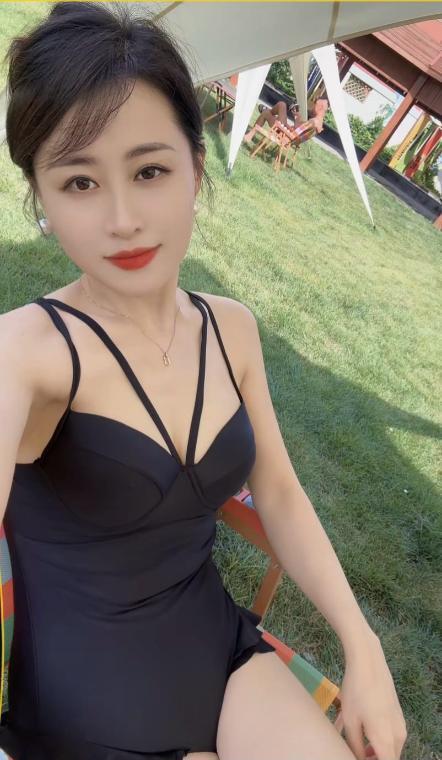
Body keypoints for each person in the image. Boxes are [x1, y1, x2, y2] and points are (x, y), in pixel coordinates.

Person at [0, 3, 407, 760]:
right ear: (41, 200)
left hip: (215, 651)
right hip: (86, 702)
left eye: (149, 171)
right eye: (79, 182)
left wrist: (364, 644)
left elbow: (278, 491)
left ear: (195, 167)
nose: (123, 218)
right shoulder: (26, 351)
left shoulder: (232, 328)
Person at [244, 96, 329, 143]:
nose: (313, 106)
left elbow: (296, 131)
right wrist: (296, 116)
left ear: (319, 107)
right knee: (281, 105)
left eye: (315, 104)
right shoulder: (318, 123)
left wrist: (296, 116)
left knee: (276, 107)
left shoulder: (313, 121)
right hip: (289, 135)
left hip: (285, 135)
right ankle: (269, 112)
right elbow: (298, 133)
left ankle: (249, 136)